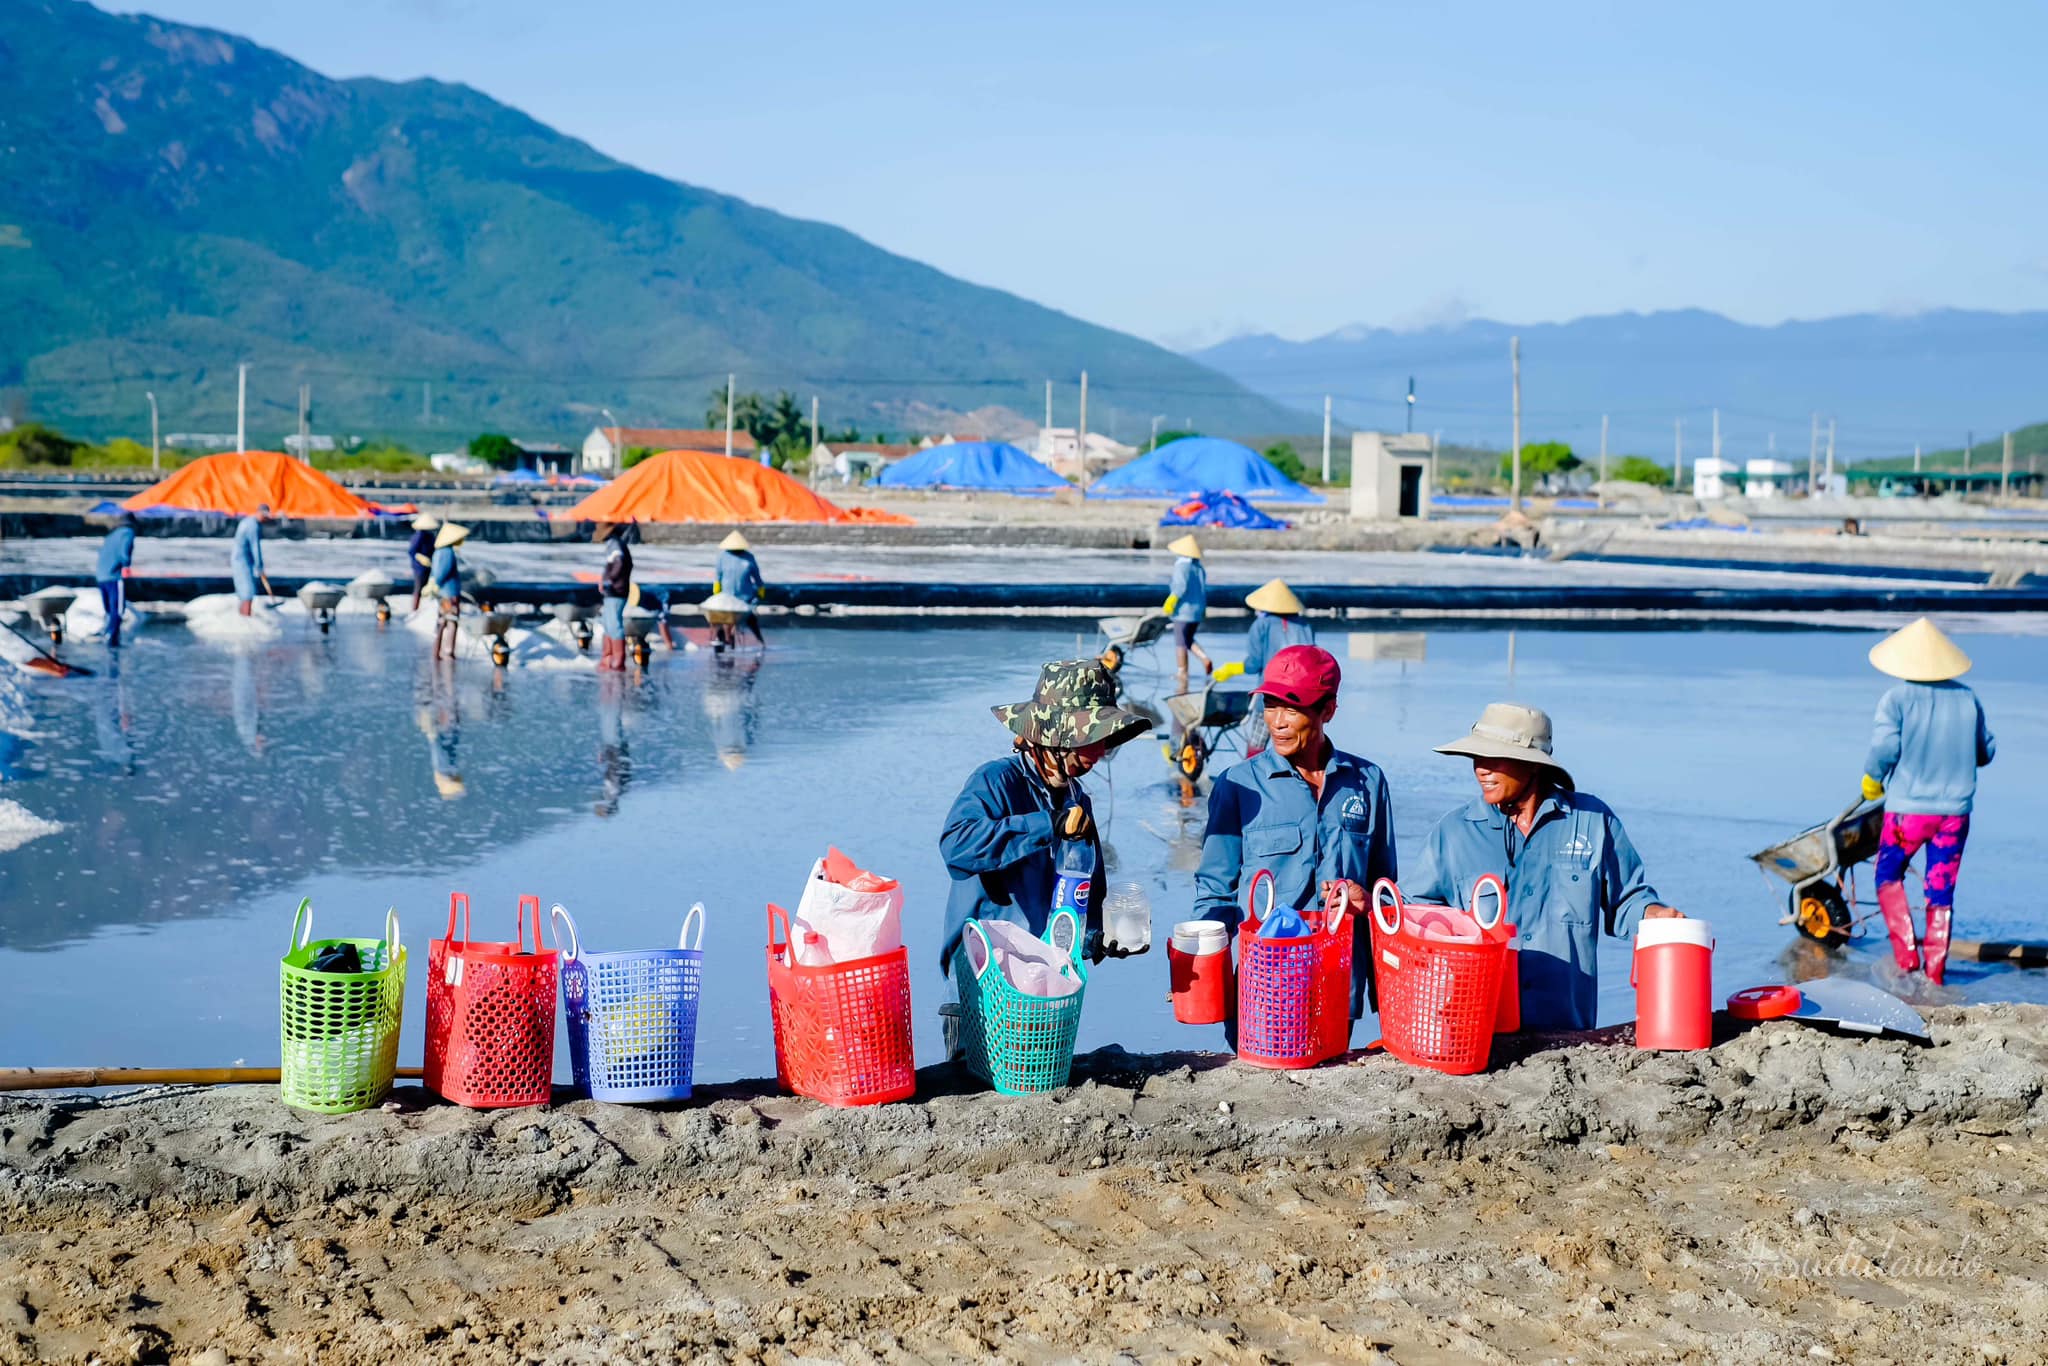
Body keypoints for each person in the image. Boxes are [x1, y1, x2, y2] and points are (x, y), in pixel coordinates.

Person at [1408, 702, 1681, 1033]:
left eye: (1493, 758)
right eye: (1476, 758)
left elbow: (1626, 900)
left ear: (1533, 765)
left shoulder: (1593, 821)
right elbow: (1415, 914)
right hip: (1477, 1029)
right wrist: (1372, 905)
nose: (1480, 768)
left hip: (1567, 1030)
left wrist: (1653, 914)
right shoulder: (1454, 831)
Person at [1195, 644, 1397, 1022]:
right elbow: (1214, 889)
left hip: (1339, 988)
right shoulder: (1238, 785)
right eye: (1270, 705)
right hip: (1265, 988)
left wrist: (1367, 902)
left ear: (1328, 710)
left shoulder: (1368, 783)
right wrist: (1201, 968)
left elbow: (1389, 895)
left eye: (1292, 707)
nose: (1277, 721)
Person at [940, 659, 1153, 974]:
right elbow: (956, 847)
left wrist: (1099, 940)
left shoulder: (1077, 801)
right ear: (1056, 738)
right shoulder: (996, 781)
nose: (1097, 754)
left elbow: (1078, 901)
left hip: (1046, 982)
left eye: (1102, 742)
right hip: (985, 981)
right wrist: (1048, 825)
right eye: (1089, 740)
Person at [1860, 617, 1996, 985]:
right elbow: (1985, 751)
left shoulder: (1896, 699)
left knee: (1888, 876)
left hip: (1908, 813)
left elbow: (1885, 748)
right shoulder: (1968, 698)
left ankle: (1906, 959)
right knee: (1941, 890)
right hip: (1954, 814)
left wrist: (1872, 779)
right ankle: (1935, 973)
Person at [1214, 578, 1315, 754]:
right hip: (1301, 699)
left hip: (1270, 697)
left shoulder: (1262, 625)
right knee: (1297, 745)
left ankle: (1252, 779)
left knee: (1257, 746)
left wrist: (1232, 669)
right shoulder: (1304, 626)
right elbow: (1312, 660)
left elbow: (1254, 664)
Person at [1163, 534, 1210, 680]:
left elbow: (1179, 587)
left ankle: (1182, 672)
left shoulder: (1182, 566)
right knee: (1188, 639)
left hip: (1183, 611)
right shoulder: (1198, 567)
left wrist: (1171, 601)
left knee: (1180, 642)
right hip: (1197, 611)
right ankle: (1204, 658)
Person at [712, 530, 765, 650]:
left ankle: (761, 643)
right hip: (727, 596)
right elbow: (718, 576)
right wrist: (716, 591)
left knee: (751, 620)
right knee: (726, 622)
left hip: (745, 597)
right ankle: (727, 643)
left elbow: (756, 577)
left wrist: (761, 590)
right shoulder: (723, 557)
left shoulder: (748, 557)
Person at [95, 511, 137, 647]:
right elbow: (124, 551)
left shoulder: (111, 534)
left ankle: (109, 634)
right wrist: (126, 565)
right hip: (114, 575)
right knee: (117, 609)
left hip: (101, 575)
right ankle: (111, 638)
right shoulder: (127, 532)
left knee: (109, 609)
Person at [428, 522, 469, 661]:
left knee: (442, 620)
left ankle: (437, 649)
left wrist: (433, 584)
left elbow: (435, 572)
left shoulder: (439, 551)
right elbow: (442, 571)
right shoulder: (447, 552)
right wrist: (437, 583)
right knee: (451, 621)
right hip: (449, 593)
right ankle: (448, 650)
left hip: (442, 592)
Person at [598, 525, 633, 672]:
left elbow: (619, 562)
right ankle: (608, 657)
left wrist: (609, 580)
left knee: (613, 624)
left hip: (616, 591)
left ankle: (617, 659)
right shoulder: (614, 544)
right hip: (613, 591)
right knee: (608, 623)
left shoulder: (615, 545)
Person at [231, 504, 271, 617]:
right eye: (265, 516)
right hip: (242, 560)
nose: (266, 519)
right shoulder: (253, 526)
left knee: (243, 590)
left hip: (239, 559)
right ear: (260, 513)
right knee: (247, 591)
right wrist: (259, 565)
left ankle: (242, 616)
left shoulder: (247, 521)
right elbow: (255, 547)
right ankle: (246, 617)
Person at [407, 515, 440, 611]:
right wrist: (420, 558)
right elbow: (412, 552)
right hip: (419, 567)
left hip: (429, 565)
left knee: (428, 587)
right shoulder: (418, 536)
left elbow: (434, 548)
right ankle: (415, 608)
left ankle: (425, 607)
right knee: (419, 588)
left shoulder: (430, 536)